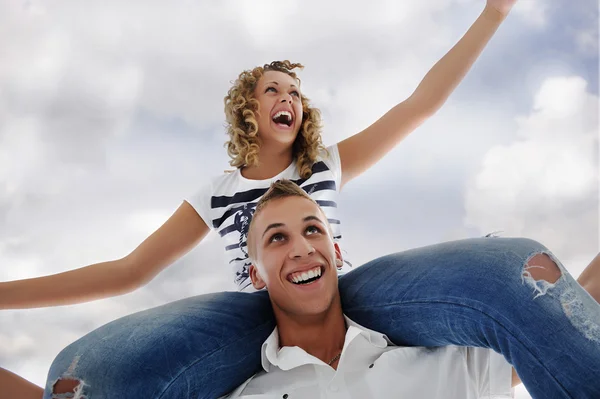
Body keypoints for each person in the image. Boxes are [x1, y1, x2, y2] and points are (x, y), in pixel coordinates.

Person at [1, 1, 599, 398]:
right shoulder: (218, 193)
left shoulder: (323, 164)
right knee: (99, 379)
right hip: (255, 313)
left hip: (352, 291)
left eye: (295, 90)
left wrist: (493, 12)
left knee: (509, 276)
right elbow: (128, 271)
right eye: (273, 89)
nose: (289, 97)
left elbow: (419, 106)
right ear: (248, 108)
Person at [224, 179, 600, 397]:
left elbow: (563, 319)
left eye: (312, 230)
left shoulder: (444, 362)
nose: (303, 248)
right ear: (255, 275)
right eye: (277, 238)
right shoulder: (249, 394)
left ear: (335, 253)